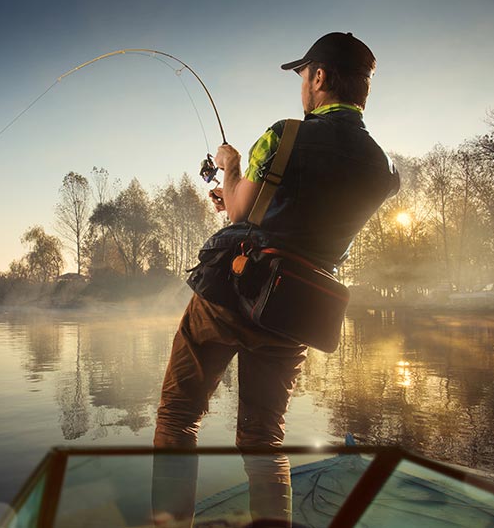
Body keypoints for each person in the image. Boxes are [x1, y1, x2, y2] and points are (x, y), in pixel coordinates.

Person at [151, 32, 400, 526]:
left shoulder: (285, 135)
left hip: (231, 297)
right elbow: (308, 225)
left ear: (320, 77)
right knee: (263, 440)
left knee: (177, 418)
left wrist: (231, 168)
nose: (301, 86)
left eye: (303, 76)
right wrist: (245, 206)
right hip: (297, 311)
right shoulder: (381, 167)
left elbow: (240, 209)